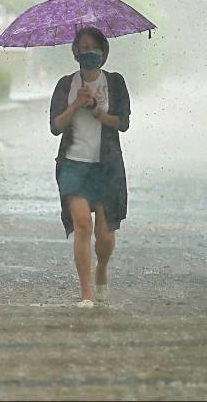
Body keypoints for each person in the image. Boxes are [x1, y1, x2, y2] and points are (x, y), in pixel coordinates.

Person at [49, 27, 131, 308]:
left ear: (104, 53)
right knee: (82, 224)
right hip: (73, 164)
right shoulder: (65, 85)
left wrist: (98, 112)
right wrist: (74, 106)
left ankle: (102, 269)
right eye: (83, 47)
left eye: (94, 47)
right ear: (75, 52)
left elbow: (123, 123)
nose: (88, 52)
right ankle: (85, 293)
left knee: (105, 236)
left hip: (107, 167)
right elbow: (55, 127)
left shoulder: (115, 83)